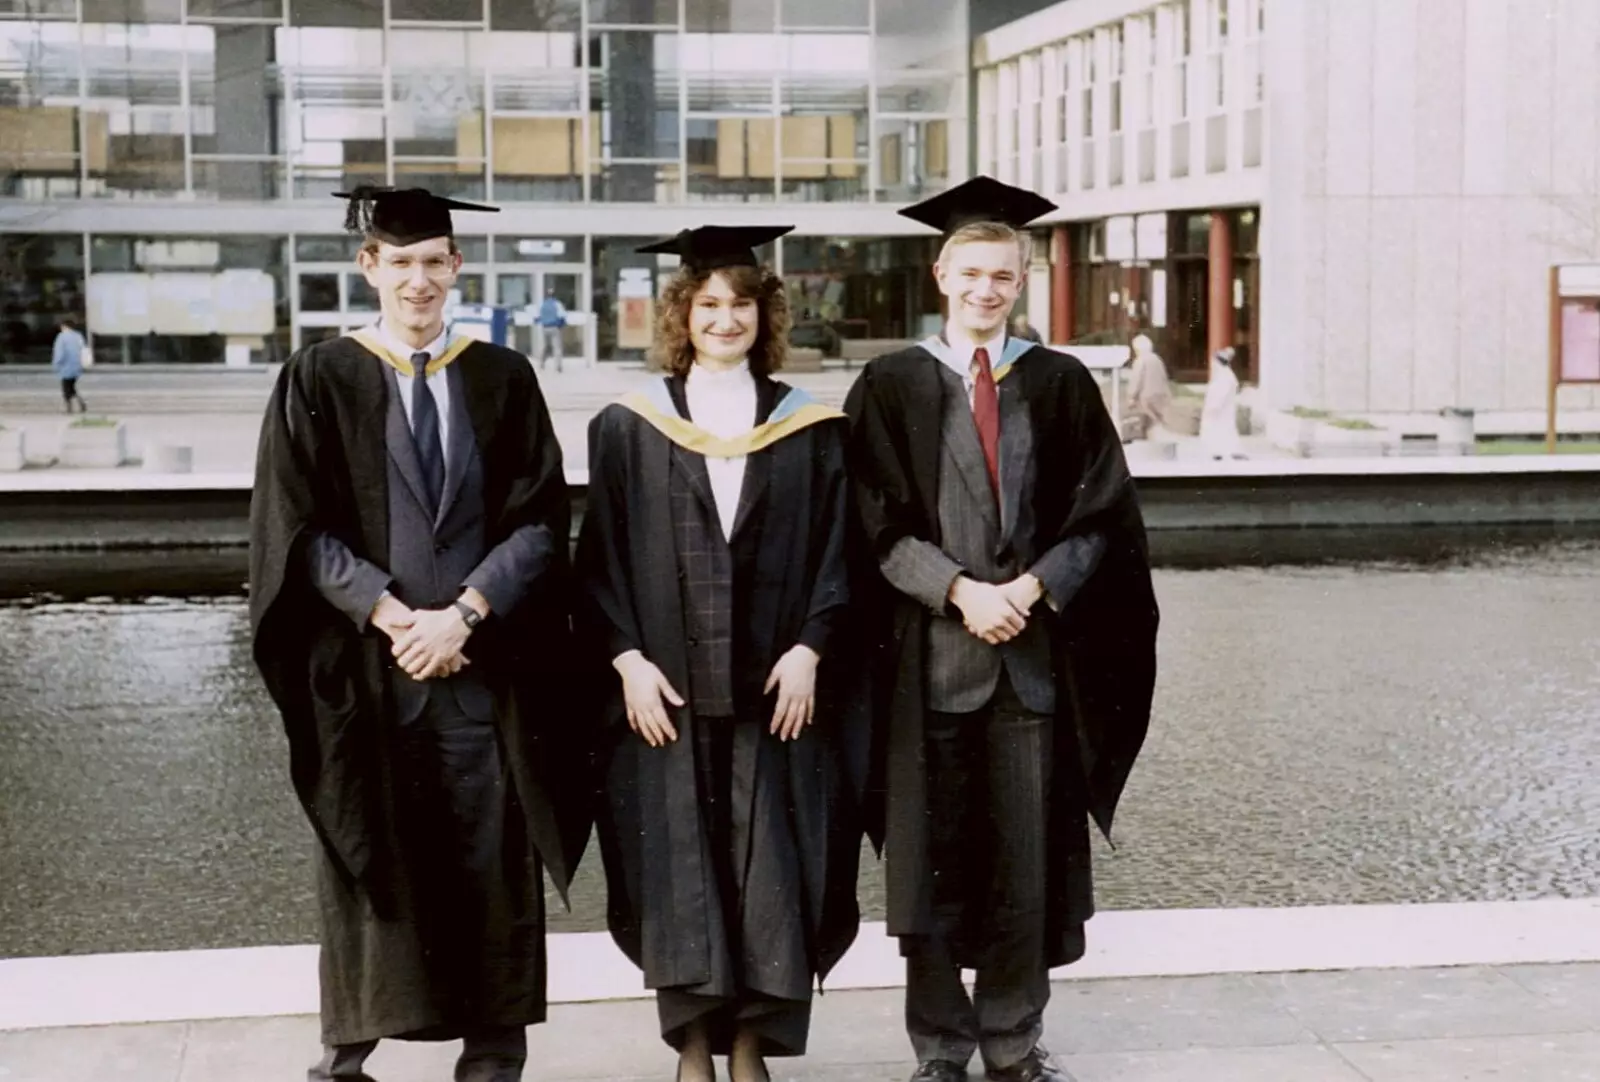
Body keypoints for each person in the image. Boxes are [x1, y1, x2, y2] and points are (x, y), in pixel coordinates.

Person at [248, 186, 590, 1082]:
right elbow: (293, 527)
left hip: (482, 672)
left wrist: (466, 612)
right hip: (373, 673)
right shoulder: (320, 376)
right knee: (373, 856)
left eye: (434, 261)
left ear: (457, 268)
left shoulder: (503, 377)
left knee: (490, 859)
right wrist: (393, 613)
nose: (418, 279)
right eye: (399, 262)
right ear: (369, 268)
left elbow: (543, 520)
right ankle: (347, 1055)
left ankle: (491, 1057)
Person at [844, 175, 1160, 1082]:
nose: (987, 291)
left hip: (1029, 667)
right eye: (972, 273)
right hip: (932, 667)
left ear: (1022, 282)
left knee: (1026, 861)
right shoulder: (891, 384)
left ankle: (1013, 1044)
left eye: (1004, 278)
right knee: (931, 866)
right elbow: (871, 526)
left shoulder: (1057, 382)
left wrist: (1032, 587)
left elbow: (1104, 515)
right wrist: (957, 591)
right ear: (940, 272)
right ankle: (942, 1048)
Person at [576, 224, 867, 1082]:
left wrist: (815, 645)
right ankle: (694, 1043)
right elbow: (599, 560)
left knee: (774, 864)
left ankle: (752, 1042)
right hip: (664, 687)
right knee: (677, 866)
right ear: (682, 314)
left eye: (742, 302)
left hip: (778, 689)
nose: (726, 318)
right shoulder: (629, 426)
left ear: (765, 314)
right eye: (709, 303)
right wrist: (625, 657)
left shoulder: (811, 427)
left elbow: (839, 553)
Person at [1123, 334, 1172, 442]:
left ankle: (1151, 445)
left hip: (1146, 397)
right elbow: (1164, 378)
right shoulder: (1157, 359)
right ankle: (1159, 442)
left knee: (1147, 423)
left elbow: (1136, 380)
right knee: (1158, 422)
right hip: (1161, 395)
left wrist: (1131, 397)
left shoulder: (1141, 360)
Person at [1200, 346, 1246, 459]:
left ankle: (1228, 453)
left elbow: (1220, 396)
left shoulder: (1224, 377)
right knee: (1223, 431)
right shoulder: (1224, 375)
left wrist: (1213, 408)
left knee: (1222, 430)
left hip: (1221, 411)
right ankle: (1221, 452)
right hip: (1222, 411)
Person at [51, 318, 87, 414]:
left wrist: (56, 363)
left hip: (65, 366)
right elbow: (83, 349)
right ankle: (80, 403)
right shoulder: (78, 336)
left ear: (65, 326)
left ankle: (69, 407)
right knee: (71, 386)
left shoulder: (61, 337)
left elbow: (59, 353)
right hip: (76, 366)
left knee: (66, 388)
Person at [535, 288, 566, 372]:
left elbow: (537, 317)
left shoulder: (542, 304)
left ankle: (541, 364)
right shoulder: (557, 304)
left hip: (544, 327)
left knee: (544, 346)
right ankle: (558, 366)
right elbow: (562, 316)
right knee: (557, 347)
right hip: (554, 327)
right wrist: (561, 326)